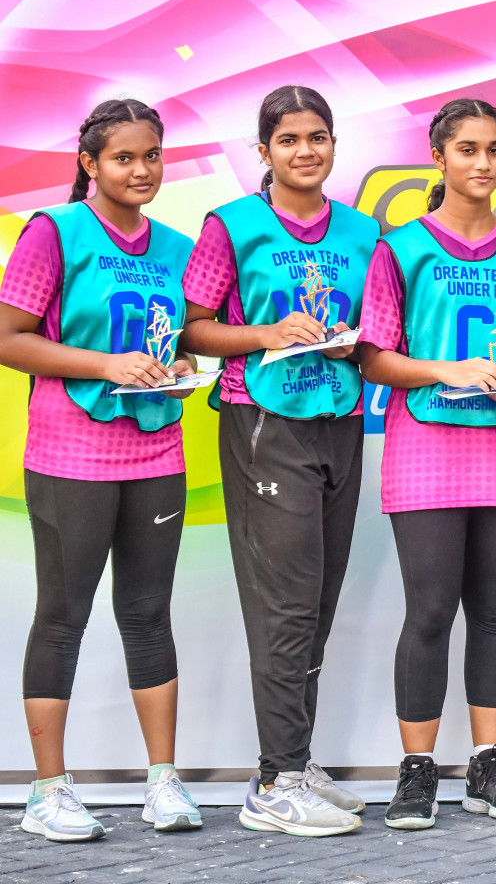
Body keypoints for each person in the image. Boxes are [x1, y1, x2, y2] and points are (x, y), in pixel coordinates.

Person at [0, 100, 201, 840]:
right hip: (68, 456)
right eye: (123, 158)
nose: (141, 170)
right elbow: (9, 337)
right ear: (89, 163)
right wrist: (103, 364)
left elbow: (175, 339)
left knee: (148, 615)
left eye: (151, 156)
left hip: (157, 452)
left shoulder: (177, 246)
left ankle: (163, 782)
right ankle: (47, 790)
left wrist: (177, 366)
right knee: (63, 617)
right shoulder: (54, 233)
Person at [358, 98, 496, 831]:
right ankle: (416, 771)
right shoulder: (401, 248)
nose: (484, 163)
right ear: (438, 156)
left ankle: (487, 763)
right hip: (426, 452)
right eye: (469, 148)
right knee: (431, 612)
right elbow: (374, 357)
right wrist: (447, 370)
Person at [180, 86, 377, 837]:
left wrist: (353, 336)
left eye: (318, 137)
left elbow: (377, 330)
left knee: (320, 604)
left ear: (333, 145)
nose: (306, 150)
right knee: (287, 605)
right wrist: (267, 335)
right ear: (262, 151)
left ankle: (297, 757)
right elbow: (194, 331)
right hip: (265, 423)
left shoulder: (362, 233)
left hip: (342, 419)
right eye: (288, 138)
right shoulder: (232, 227)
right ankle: (274, 781)